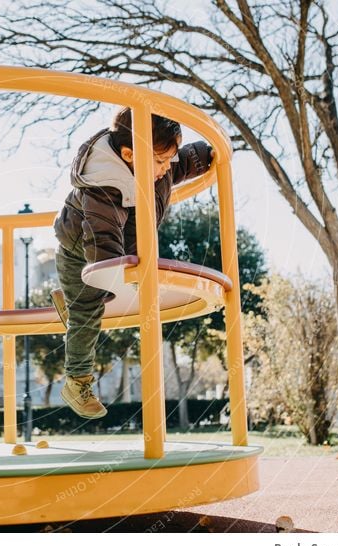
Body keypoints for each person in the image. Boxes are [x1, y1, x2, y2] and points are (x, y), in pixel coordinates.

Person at [52, 106, 214, 419]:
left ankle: (72, 310)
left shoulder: (152, 160)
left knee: (94, 306)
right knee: (88, 311)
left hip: (123, 248)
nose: (167, 168)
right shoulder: (103, 184)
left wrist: (203, 157)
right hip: (80, 253)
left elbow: (178, 166)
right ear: (128, 154)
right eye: (161, 161)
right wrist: (122, 278)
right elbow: (102, 240)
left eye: (171, 158)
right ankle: (77, 381)